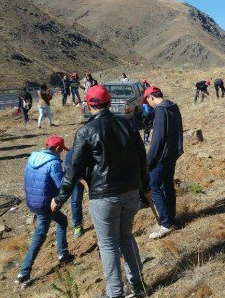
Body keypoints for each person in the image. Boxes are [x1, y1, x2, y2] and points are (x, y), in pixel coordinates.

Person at [52, 85, 150, 298]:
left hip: (104, 196)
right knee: (126, 237)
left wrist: (60, 197)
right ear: (109, 102)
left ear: (88, 105)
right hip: (131, 192)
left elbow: (74, 169)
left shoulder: (86, 131)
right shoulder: (127, 124)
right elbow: (141, 157)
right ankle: (139, 285)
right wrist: (146, 187)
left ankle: (115, 293)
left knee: (107, 245)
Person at [15, 136, 74, 285]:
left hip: (33, 201)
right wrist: (68, 171)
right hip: (45, 204)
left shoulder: (33, 157)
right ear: (58, 149)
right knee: (40, 236)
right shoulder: (53, 163)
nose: (61, 154)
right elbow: (61, 184)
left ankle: (63, 254)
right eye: (61, 151)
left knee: (62, 220)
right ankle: (24, 272)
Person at [144, 86, 184, 239]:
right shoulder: (173, 106)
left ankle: (166, 224)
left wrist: (149, 161)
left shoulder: (160, 110)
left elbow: (158, 139)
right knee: (167, 184)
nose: (148, 104)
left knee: (154, 185)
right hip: (172, 153)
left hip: (161, 156)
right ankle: (171, 218)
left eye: (147, 100)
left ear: (152, 97)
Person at [65, 149, 88, 238]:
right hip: (76, 179)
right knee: (75, 201)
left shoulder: (92, 148)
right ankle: (77, 226)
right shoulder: (70, 154)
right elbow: (72, 172)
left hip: (91, 176)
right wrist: (85, 184)